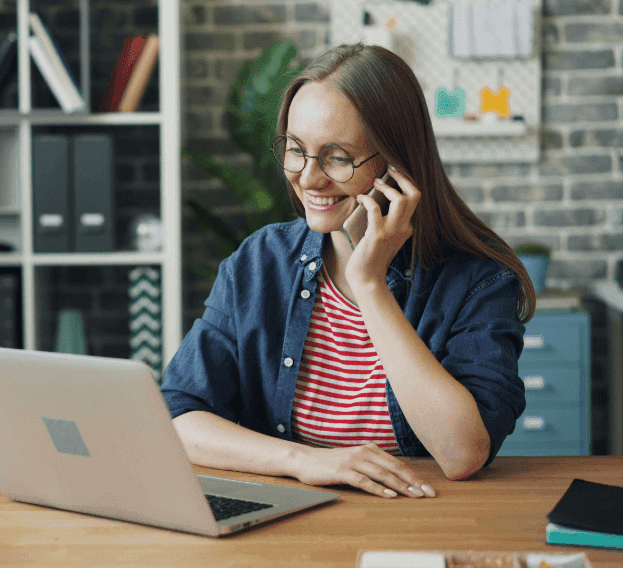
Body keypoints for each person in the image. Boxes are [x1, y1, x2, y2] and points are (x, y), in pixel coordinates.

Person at [161, 43, 534, 499]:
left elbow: (461, 454)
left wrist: (370, 283)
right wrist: (303, 460)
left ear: (397, 163)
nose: (309, 178)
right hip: (294, 518)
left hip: (424, 516)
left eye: (338, 157)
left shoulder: (478, 278)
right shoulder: (259, 262)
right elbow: (180, 416)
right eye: (296, 150)